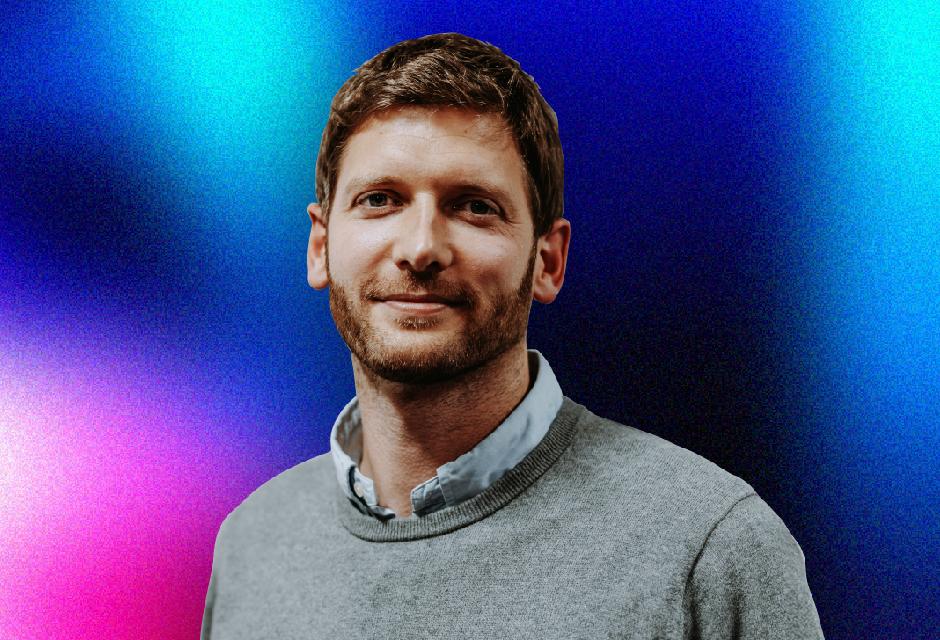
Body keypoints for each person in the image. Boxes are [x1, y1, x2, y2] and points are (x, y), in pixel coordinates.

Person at [201, 33, 823, 639]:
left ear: (548, 261)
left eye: (475, 206)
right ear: (320, 245)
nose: (421, 248)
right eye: (380, 199)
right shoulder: (253, 544)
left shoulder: (708, 548)